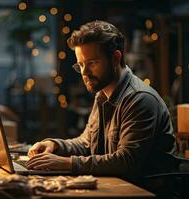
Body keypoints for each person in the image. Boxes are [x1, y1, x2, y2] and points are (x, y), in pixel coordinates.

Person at [26, 20, 179, 185]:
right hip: (118, 189)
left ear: (115, 58)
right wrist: (54, 145)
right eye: (81, 65)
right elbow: (86, 143)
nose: (84, 72)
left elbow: (126, 161)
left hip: (147, 193)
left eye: (92, 63)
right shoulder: (102, 94)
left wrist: (67, 163)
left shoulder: (140, 99)